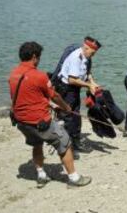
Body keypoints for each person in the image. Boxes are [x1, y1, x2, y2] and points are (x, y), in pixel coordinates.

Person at [8, 42, 91, 188]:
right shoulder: (39, 76)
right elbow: (55, 95)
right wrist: (65, 107)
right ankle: (74, 178)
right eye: (39, 57)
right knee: (64, 141)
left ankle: (41, 175)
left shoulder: (13, 74)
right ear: (34, 57)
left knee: (37, 143)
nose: (39, 60)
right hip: (39, 122)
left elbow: (26, 96)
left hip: (22, 122)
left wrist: (49, 104)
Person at [55, 36, 101, 155]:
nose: (94, 55)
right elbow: (72, 80)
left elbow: (87, 72)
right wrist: (88, 86)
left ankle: (75, 142)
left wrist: (93, 82)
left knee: (76, 115)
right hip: (66, 89)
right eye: (93, 52)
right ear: (86, 48)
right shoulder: (76, 57)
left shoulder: (86, 56)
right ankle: (66, 147)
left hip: (74, 89)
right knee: (68, 117)